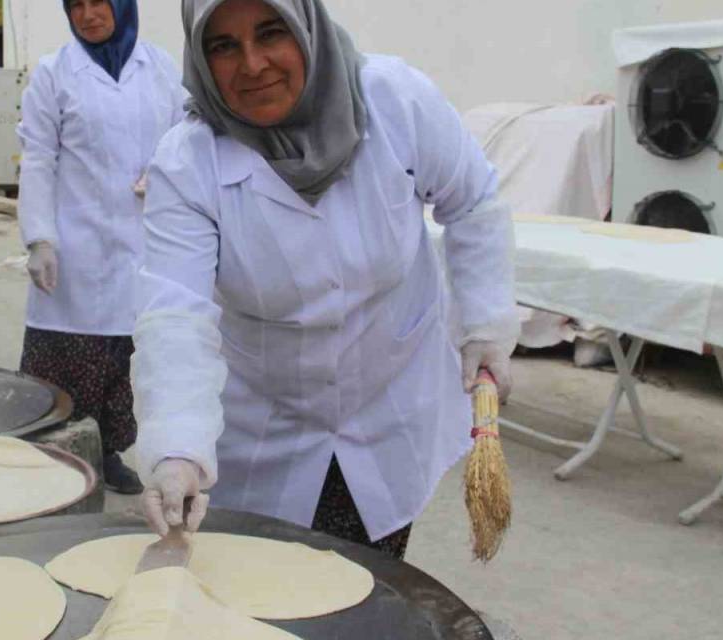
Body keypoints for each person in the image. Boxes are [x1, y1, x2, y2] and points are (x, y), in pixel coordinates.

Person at [133, 0, 518, 558]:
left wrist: (483, 319)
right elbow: (176, 311)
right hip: (268, 427)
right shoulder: (188, 163)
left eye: (271, 32)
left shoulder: (395, 103)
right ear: (199, 58)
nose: (253, 63)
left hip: (390, 406)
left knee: (369, 583)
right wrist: (176, 447)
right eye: (223, 46)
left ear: (306, 27)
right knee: (266, 593)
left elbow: (474, 201)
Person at [17, 0, 186, 494]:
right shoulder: (54, 73)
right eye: (78, 6)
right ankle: (54, 454)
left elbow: (187, 136)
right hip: (76, 241)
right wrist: (39, 237)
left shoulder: (159, 68)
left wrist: (164, 170)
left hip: (143, 238)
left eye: (100, 2)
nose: (90, 15)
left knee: (126, 355)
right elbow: (38, 157)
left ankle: (107, 451)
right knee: (68, 355)